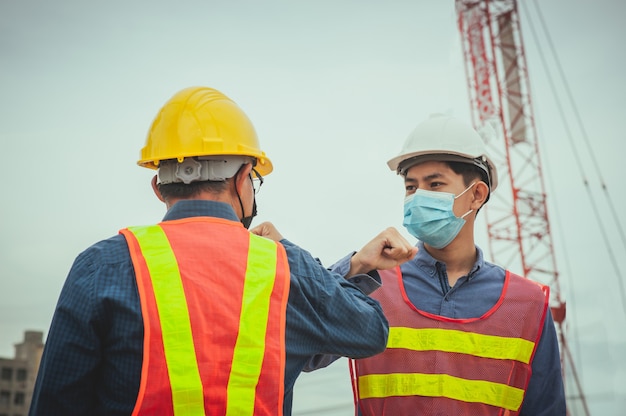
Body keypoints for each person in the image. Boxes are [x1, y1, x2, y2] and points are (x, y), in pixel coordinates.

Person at [28, 86, 417, 416]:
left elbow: (56, 402)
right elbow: (369, 330)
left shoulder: (101, 265)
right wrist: (294, 254)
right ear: (244, 177)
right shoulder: (282, 267)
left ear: (158, 187)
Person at [318, 114, 566, 415]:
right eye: (411, 188)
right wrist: (355, 267)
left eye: (434, 184)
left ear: (476, 195)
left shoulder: (528, 305)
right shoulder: (373, 284)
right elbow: (305, 345)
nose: (418, 197)